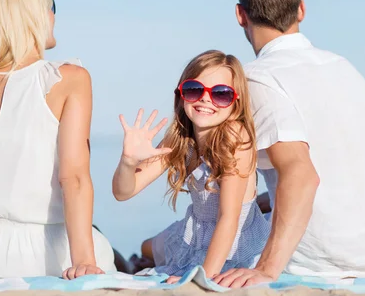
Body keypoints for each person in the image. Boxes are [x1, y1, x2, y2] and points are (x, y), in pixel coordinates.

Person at [214, 0, 365, 288]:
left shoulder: (256, 79)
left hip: (328, 261)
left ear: (241, 15)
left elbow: (302, 175)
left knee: (192, 235)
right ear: (301, 10)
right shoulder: (345, 68)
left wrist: (267, 270)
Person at [0, 0, 116, 278]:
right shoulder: (66, 79)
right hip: (27, 250)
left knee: (101, 238)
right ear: (33, 14)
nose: (53, 14)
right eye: (50, 4)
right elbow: (74, 178)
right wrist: (85, 263)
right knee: (102, 247)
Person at [112, 50, 269, 282]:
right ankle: (139, 262)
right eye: (195, 90)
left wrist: (201, 277)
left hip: (232, 238)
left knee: (159, 258)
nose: (206, 99)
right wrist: (128, 161)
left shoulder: (236, 137)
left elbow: (229, 218)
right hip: (194, 229)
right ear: (181, 94)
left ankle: (139, 264)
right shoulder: (181, 137)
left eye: (221, 94)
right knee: (146, 247)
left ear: (235, 104)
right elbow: (123, 192)